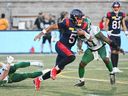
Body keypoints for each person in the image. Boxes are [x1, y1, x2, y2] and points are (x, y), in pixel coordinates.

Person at [33, 9, 91, 90]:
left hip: (67, 49)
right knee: (71, 57)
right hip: (60, 45)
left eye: (81, 18)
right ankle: (54, 70)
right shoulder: (67, 22)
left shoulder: (83, 26)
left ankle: (38, 80)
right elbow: (52, 27)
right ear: (74, 18)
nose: (81, 20)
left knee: (58, 70)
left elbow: (79, 39)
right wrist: (41, 33)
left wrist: (79, 47)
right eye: (79, 18)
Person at [75, 19, 124, 87]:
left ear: (88, 26)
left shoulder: (94, 30)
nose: (81, 30)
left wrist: (117, 48)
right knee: (82, 64)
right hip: (91, 49)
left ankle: (112, 73)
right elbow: (79, 41)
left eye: (83, 28)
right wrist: (79, 48)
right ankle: (81, 80)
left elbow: (106, 39)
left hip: (101, 47)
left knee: (106, 59)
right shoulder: (79, 32)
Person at [105, 1, 128, 73]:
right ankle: (113, 67)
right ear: (113, 7)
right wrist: (107, 31)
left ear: (119, 7)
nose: (116, 8)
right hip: (112, 35)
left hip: (118, 35)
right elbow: (106, 24)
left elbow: (123, 24)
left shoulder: (122, 14)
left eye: (117, 7)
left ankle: (116, 67)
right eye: (114, 7)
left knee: (117, 51)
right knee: (113, 50)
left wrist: (125, 31)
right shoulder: (110, 14)